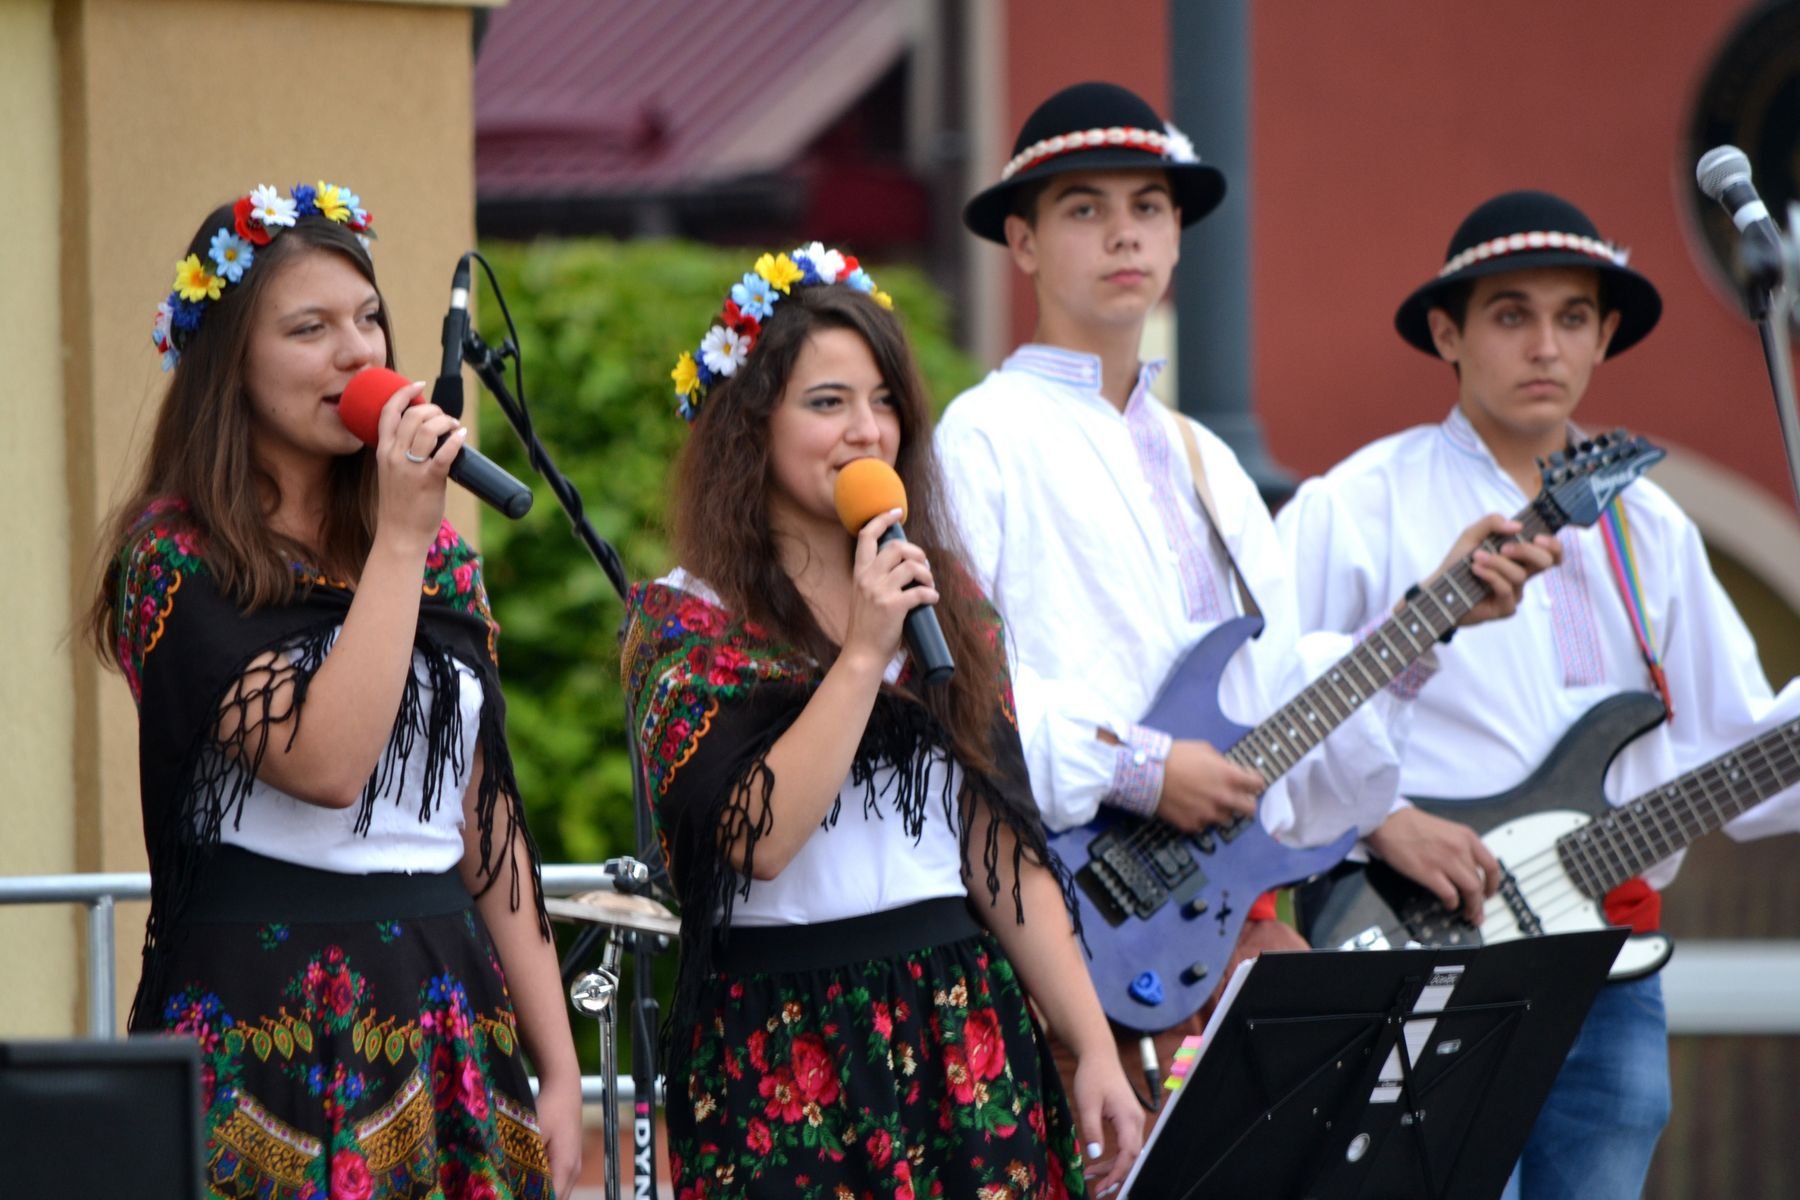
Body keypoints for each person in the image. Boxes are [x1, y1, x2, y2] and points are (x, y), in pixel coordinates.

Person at [934, 81, 1558, 1133]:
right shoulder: (980, 434)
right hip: (1065, 929)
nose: (1125, 233)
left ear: (1178, 238)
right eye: (1085, 208)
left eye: (1149, 207)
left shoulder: (1209, 462)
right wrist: (1142, 768)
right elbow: (963, 687)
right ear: (1023, 241)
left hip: (1226, 928)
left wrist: (1422, 624)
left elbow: (1276, 706)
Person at [1275, 189, 1800, 1200]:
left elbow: (1736, 746)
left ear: (1604, 338)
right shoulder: (1357, 504)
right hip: (1417, 935)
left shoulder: (1652, 529)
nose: (1545, 346)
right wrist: (1382, 818)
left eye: (1572, 317)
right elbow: (1271, 714)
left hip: (1609, 961)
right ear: (1448, 333)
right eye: (1512, 315)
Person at [89, 182, 582, 1198]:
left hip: (446, 1004)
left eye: (368, 320)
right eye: (309, 329)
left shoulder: (439, 563)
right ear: (228, 362)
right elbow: (325, 764)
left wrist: (561, 1063)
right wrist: (401, 538)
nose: (357, 353)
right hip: (267, 1013)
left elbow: (485, 819)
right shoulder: (176, 559)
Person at [623, 244, 1145, 1197]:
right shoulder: (687, 624)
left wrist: (1094, 1045)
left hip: (960, 1021)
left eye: (884, 401)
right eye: (828, 402)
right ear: (752, 424)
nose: (866, 431)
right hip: (782, 1038)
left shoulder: (947, 602)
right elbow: (754, 840)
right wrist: (863, 653)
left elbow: (1002, 850)